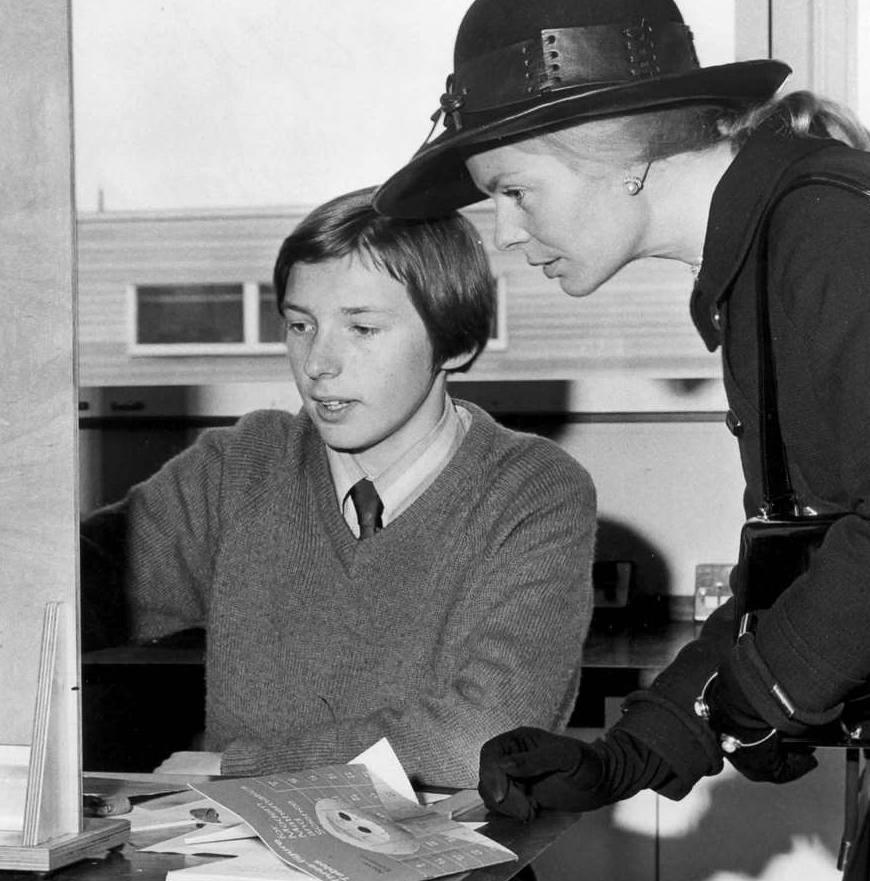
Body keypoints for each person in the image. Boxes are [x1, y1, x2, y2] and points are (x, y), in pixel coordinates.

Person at [373, 0, 870, 881]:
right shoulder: (775, 241)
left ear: (622, 153)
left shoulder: (829, 232)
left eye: (513, 192)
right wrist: (623, 757)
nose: (507, 236)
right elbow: (806, 567)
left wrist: (755, 695)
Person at [81, 187, 596, 790]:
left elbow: (480, 739)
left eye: (363, 328)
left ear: (455, 342)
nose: (319, 362)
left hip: (455, 877)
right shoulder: (240, 467)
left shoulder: (530, 489)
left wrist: (245, 768)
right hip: (240, 866)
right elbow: (64, 591)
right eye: (301, 325)